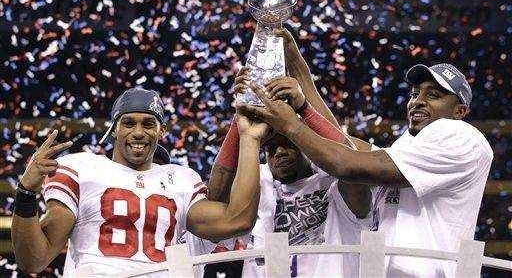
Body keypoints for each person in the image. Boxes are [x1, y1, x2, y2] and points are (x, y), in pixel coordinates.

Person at [241, 43, 493, 278]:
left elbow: (346, 163)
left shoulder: (459, 136)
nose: (417, 101)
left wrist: (291, 125)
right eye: (415, 94)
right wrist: (303, 95)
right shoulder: (409, 146)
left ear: (459, 111)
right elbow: (344, 144)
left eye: (433, 95)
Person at [11, 87, 268, 277]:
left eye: (148, 123)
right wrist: (25, 193)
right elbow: (34, 260)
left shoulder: (181, 179)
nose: (138, 132)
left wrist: (249, 138)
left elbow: (238, 220)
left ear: (162, 131)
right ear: (113, 129)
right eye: (128, 123)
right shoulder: (81, 169)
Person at [207, 65, 371, 277]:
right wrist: (239, 119)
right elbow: (215, 200)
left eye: (288, 142)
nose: (280, 152)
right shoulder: (256, 182)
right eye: (271, 147)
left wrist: (304, 108)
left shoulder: (331, 181)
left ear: (302, 140)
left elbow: (351, 163)